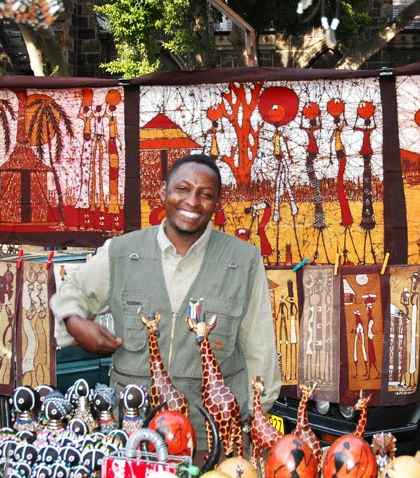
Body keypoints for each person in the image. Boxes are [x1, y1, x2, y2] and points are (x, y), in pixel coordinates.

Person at [50, 153, 281, 453]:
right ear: (163, 192)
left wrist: (251, 420)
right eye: (182, 189)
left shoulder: (243, 261)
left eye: (205, 194)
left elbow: (260, 351)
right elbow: (72, 292)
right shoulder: (123, 253)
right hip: (134, 433)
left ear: (216, 203)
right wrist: (75, 322)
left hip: (211, 438)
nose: (192, 202)